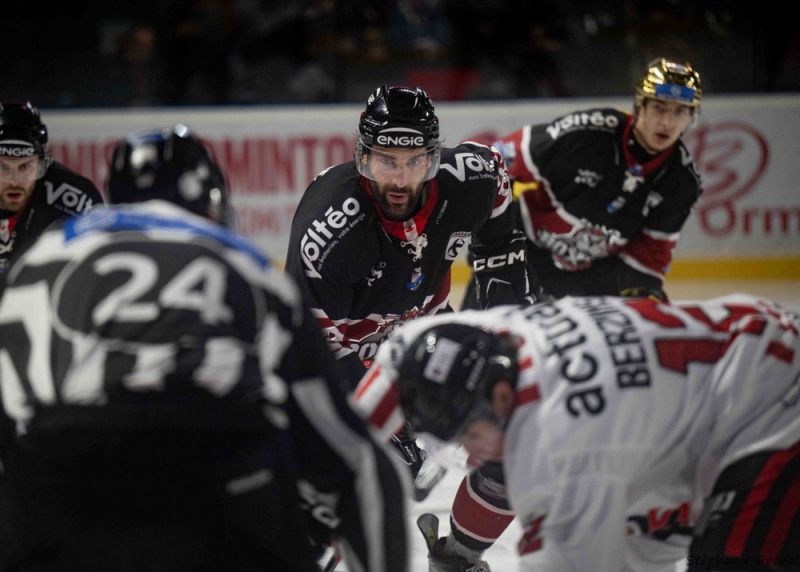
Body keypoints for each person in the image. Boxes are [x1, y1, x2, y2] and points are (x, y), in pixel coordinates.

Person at [0, 125, 409, 572]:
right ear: (209, 200)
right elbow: (357, 461)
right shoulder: (247, 264)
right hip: (217, 482)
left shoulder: (37, 261)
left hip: (66, 485)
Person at [356, 294, 800, 571]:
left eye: (469, 437)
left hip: (771, 395)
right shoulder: (492, 336)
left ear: (505, 399)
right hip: (696, 412)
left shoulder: (560, 450)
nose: (470, 459)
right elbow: (400, 355)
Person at [284, 85, 541, 499]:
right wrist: (391, 419)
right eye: (387, 161)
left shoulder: (471, 179)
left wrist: (505, 316)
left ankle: (458, 555)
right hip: (347, 353)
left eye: (414, 161)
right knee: (369, 478)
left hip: (423, 331)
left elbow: (495, 178)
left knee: (517, 422)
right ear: (363, 157)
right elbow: (311, 347)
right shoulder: (330, 230)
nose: (401, 179)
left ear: (432, 158)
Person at [462, 57, 704, 308]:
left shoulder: (682, 182)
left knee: (635, 328)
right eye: (660, 108)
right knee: (475, 331)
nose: (667, 122)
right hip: (527, 252)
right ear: (640, 105)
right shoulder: (587, 133)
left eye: (680, 112)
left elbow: (650, 254)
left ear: (691, 117)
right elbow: (496, 159)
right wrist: (494, 236)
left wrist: (642, 297)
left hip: (598, 272)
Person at [0, 100, 104, 274]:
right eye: (2, 167)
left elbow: (98, 272)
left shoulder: (77, 201)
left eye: (25, 167)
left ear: (41, 164)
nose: (14, 181)